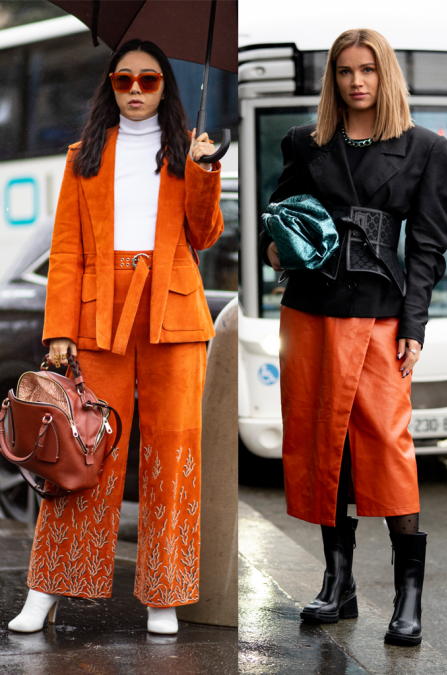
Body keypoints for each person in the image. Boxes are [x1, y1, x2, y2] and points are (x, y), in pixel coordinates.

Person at [7, 39, 222, 635]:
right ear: (109, 83)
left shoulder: (187, 152)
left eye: (148, 80)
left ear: (164, 87)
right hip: (99, 317)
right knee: (80, 451)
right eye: (123, 79)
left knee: (173, 454)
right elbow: (67, 250)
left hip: (173, 316)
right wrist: (59, 332)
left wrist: (205, 170)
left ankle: (165, 595)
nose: (134, 89)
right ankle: (48, 588)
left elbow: (202, 236)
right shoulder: (83, 157)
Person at [261, 28, 447, 646]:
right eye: (345, 71)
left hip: (379, 313)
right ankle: (337, 583)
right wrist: (277, 249)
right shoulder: (304, 142)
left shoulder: (425, 147)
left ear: (385, 75)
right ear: (333, 79)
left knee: (388, 446)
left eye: (367, 70)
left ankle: (408, 597)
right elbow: (279, 218)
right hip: (310, 310)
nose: (356, 82)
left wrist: (415, 326)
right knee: (325, 441)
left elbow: (427, 249)